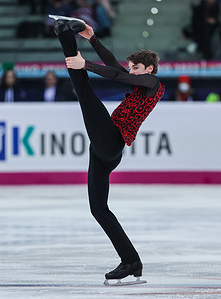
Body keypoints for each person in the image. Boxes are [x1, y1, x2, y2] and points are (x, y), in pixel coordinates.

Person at [52, 16, 165, 284]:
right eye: (131, 68)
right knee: (98, 209)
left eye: (135, 68)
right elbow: (115, 67)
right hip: (104, 149)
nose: (131, 71)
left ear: (149, 69)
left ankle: (65, 37)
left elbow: (114, 73)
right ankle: (131, 261)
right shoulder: (138, 80)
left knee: (84, 92)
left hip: (112, 140)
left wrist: (86, 64)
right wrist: (92, 38)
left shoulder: (154, 85)